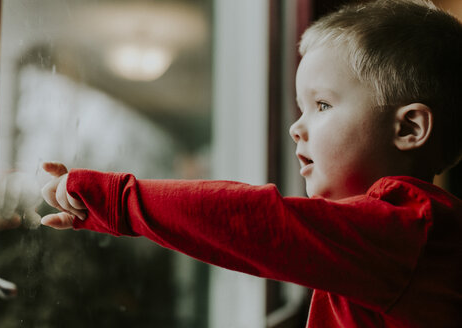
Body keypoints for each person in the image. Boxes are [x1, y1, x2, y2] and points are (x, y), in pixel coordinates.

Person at [39, 0, 462, 327]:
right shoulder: (387, 250)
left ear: (409, 128)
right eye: (301, 108)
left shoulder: (411, 226)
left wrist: (115, 199)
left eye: (322, 104)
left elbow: (255, 221)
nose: (297, 127)